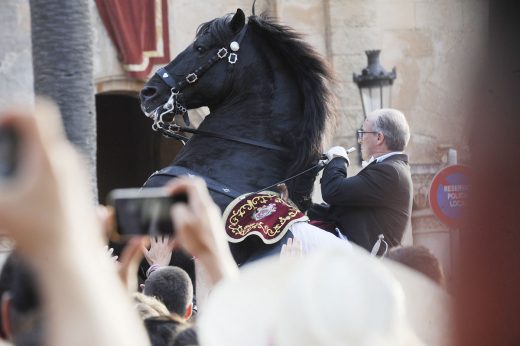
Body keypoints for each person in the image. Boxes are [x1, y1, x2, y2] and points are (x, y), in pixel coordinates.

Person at [319, 108, 413, 252]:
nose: (359, 139)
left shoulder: (390, 172)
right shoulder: (390, 168)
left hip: (362, 257)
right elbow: (344, 209)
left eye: (362, 133)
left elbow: (333, 190)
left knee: (295, 233)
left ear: (379, 138)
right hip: (353, 249)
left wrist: (338, 160)